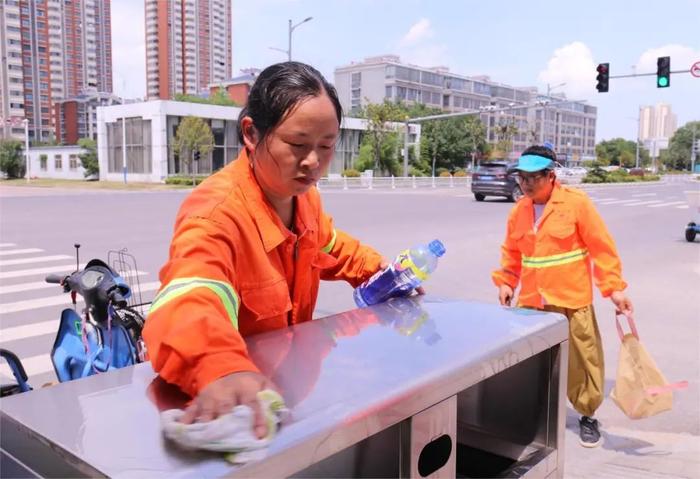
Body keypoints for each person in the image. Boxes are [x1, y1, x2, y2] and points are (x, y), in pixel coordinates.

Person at [143, 62, 398, 438]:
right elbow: (193, 293)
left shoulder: (304, 197)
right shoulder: (216, 214)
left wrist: (382, 272)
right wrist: (221, 366)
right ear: (251, 133)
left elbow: (328, 244)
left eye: (326, 146)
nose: (313, 162)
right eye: (297, 145)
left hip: (287, 400)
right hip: (236, 409)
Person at [491, 145, 634, 448]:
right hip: (531, 302)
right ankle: (535, 414)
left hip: (572, 298)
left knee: (583, 360)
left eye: (534, 178)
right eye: (522, 178)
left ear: (551, 175)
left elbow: (601, 248)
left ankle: (587, 415)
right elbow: (512, 253)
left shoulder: (576, 204)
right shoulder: (519, 211)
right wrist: (506, 282)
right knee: (532, 362)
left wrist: (615, 289)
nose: (527, 184)